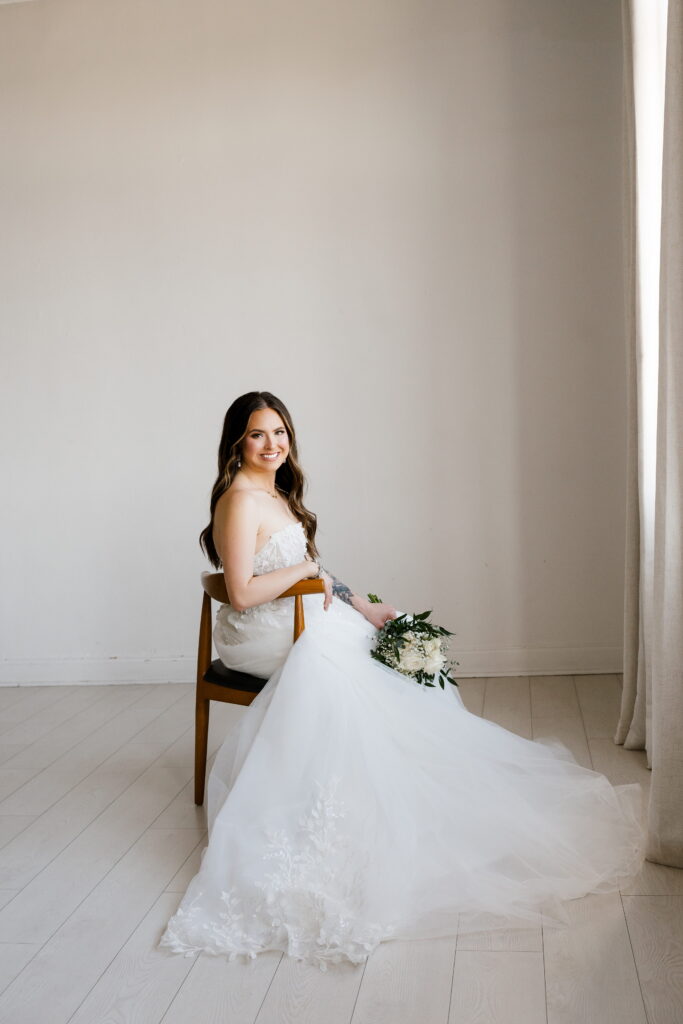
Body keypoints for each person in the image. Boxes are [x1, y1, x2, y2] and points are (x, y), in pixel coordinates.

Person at [158, 391, 646, 972]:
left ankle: (415, 790)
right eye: (259, 435)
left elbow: (317, 572)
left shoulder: (276, 493)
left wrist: (362, 606)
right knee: (338, 665)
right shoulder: (240, 499)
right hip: (258, 633)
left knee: (379, 649)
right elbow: (239, 592)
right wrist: (307, 572)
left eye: (280, 432)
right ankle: (348, 807)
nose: (273, 445)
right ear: (237, 441)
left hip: (294, 615)